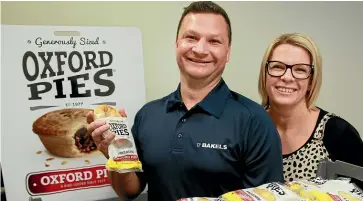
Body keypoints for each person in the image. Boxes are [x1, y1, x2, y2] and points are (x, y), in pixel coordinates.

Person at [87, 2, 284, 201]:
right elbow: (129, 191)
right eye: (191, 37)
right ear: (177, 44)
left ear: (228, 52)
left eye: (214, 41)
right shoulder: (148, 115)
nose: (199, 49)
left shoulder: (255, 121)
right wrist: (113, 151)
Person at [257, 33, 363, 185]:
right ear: (265, 73)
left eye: (300, 70)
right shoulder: (248, 125)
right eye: (278, 67)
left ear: (311, 80)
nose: (287, 77)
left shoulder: (338, 133)